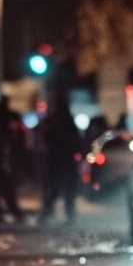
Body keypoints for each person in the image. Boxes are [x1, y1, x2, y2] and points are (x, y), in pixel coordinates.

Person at [40, 92, 82, 224]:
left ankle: (48, 215)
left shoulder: (53, 120)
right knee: (64, 190)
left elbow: (46, 138)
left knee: (54, 189)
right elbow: (76, 140)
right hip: (64, 159)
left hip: (57, 159)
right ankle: (67, 215)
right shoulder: (66, 120)